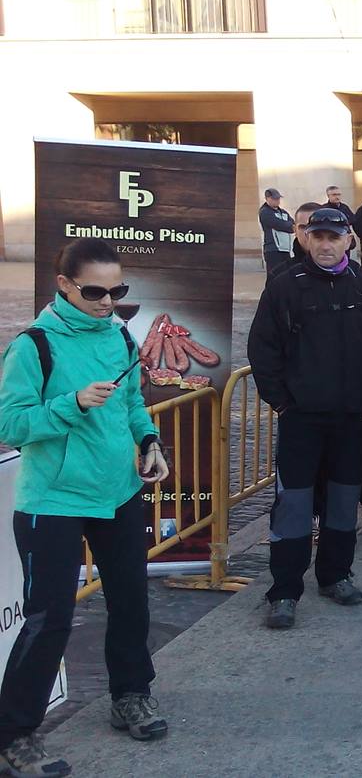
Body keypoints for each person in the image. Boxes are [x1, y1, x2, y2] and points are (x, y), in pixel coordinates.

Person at [0, 240, 173, 774]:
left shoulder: (119, 334)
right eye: (95, 291)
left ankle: (131, 695)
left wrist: (149, 442)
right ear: (64, 285)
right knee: (50, 618)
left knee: (131, 600)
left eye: (117, 290)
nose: (108, 302)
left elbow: (131, 402)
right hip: (52, 500)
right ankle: (14, 736)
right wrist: (70, 404)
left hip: (117, 490)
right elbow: (10, 424)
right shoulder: (34, 345)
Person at [247, 208, 362, 628]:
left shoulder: (361, 287)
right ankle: (284, 591)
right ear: (306, 239)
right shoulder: (284, 286)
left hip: (351, 419)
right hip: (302, 419)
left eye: (334, 237)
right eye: (319, 237)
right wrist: (282, 403)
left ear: (348, 240)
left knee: (344, 501)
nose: (326, 245)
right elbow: (262, 350)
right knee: (293, 506)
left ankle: (335, 575)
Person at [260, 188, 294, 271]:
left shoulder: (284, 212)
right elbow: (277, 224)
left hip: (285, 249)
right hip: (273, 249)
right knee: (274, 274)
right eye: (274, 198)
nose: (277, 200)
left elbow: (293, 226)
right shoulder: (265, 212)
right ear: (267, 198)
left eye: (278, 198)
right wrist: (287, 225)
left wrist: (288, 226)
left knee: (286, 273)